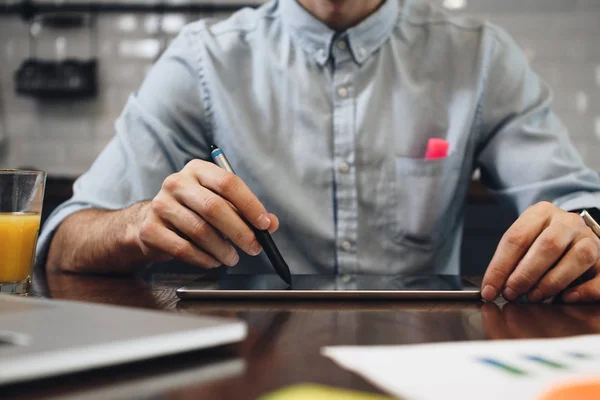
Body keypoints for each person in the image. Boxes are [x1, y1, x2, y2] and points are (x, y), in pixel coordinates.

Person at [38, 0, 600, 304]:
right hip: (249, 358)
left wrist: (584, 230)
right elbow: (62, 240)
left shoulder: (479, 57)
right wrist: (139, 225)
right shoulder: (203, 61)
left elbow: (581, 209)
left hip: (428, 358)